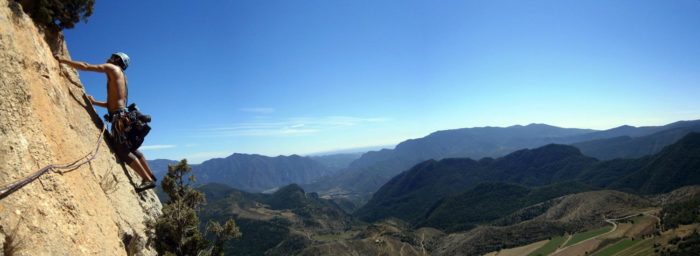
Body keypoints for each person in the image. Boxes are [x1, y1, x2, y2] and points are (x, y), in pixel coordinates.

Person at [55, 52, 157, 190]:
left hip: (118, 118)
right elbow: (115, 102)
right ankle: (151, 175)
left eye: (112, 56)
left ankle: (146, 179)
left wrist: (62, 60)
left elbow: (86, 66)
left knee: (122, 151)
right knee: (132, 148)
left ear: (117, 60)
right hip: (122, 114)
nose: (109, 57)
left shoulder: (111, 68)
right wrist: (94, 102)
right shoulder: (122, 76)